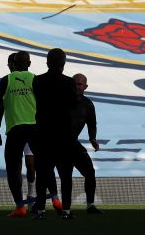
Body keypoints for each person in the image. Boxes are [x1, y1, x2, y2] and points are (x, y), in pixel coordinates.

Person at [0, 51, 60, 218]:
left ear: (13, 64)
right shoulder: (36, 79)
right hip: (36, 128)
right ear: (29, 64)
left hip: (15, 129)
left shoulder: (6, 80)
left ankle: (20, 206)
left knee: (13, 168)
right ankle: (55, 197)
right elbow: (46, 104)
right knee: (44, 163)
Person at [32, 48, 77, 220]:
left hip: (43, 132)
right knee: (66, 175)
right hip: (64, 134)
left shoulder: (38, 81)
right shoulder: (69, 83)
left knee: (42, 174)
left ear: (47, 62)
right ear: (63, 63)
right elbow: (72, 104)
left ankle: (41, 210)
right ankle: (66, 210)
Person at [70, 73, 102, 214]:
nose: (76, 87)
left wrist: (92, 138)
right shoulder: (61, 100)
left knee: (90, 171)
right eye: (74, 83)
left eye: (79, 84)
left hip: (72, 144)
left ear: (85, 87)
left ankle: (90, 205)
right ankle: (39, 205)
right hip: (56, 143)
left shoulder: (88, 104)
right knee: (48, 173)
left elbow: (92, 124)